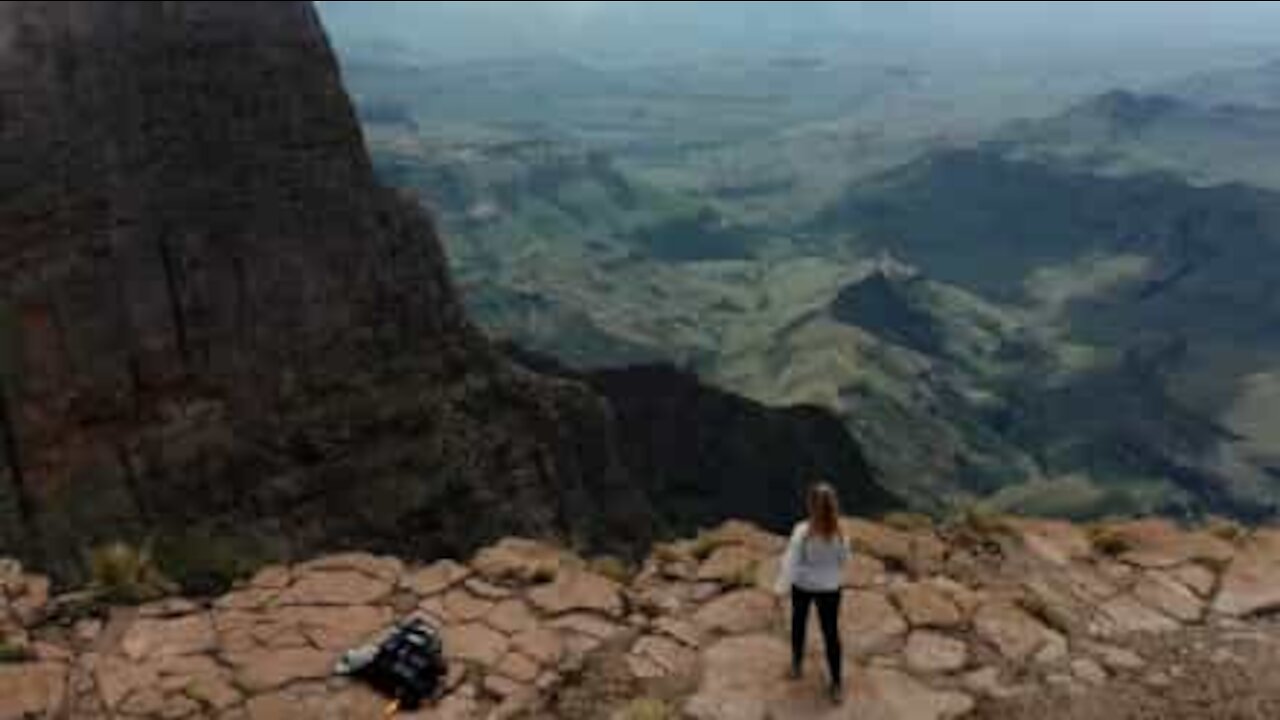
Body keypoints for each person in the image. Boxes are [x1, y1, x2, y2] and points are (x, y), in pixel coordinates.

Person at [774, 482, 851, 703]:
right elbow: (845, 561)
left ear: (810, 505)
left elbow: (791, 563)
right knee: (831, 634)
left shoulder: (802, 531)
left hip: (803, 585)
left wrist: (780, 589)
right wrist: (829, 573)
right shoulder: (841, 533)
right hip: (830, 588)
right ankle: (836, 684)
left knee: (799, 623)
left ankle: (797, 666)